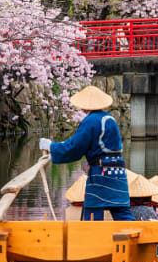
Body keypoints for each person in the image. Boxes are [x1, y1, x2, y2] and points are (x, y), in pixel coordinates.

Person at [40, 85, 134, 221]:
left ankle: (92, 239)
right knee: (121, 211)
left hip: (101, 173)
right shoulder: (110, 118)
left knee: (92, 212)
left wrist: (51, 146)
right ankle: (135, 236)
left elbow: (75, 147)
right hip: (118, 172)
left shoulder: (91, 121)